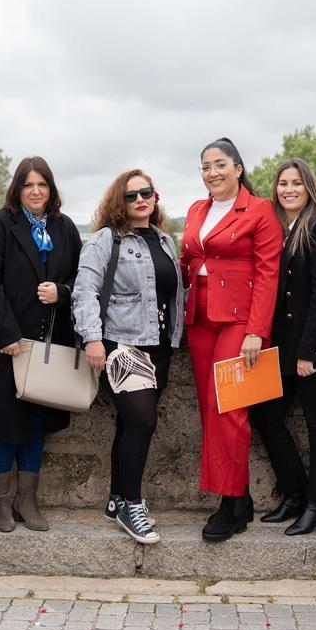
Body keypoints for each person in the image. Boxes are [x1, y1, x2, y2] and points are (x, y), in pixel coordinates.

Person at [0, 156, 82, 532]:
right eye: (28, 185)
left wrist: (61, 292)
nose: (35, 191)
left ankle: (26, 500)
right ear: (17, 189)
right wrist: (7, 333)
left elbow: (81, 280)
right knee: (3, 421)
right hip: (5, 343)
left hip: (49, 344)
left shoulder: (65, 229)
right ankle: (0, 504)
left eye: (42, 185)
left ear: (51, 190)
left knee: (35, 422)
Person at [180, 138, 283, 542]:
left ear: (238, 168)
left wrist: (257, 330)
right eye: (205, 166)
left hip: (239, 322)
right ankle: (239, 498)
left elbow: (268, 273)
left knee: (229, 408)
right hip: (200, 319)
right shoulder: (195, 210)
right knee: (209, 409)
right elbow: (187, 260)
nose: (211, 173)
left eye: (219, 164)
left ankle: (231, 503)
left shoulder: (260, 211)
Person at [73, 169, 183, 544]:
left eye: (146, 193)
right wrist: (92, 338)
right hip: (121, 342)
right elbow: (84, 290)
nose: (140, 200)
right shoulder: (106, 240)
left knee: (129, 422)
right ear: (118, 202)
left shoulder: (166, 240)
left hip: (159, 344)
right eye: (131, 195)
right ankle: (132, 505)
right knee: (142, 420)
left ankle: (117, 496)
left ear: (156, 196)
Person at [250, 159, 316, 536]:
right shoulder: (276, 228)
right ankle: (294, 493)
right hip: (283, 347)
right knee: (266, 417)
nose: (289, 189)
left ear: (309, 188)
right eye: (282, 183)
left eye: (296, 183)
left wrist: (308, 352)